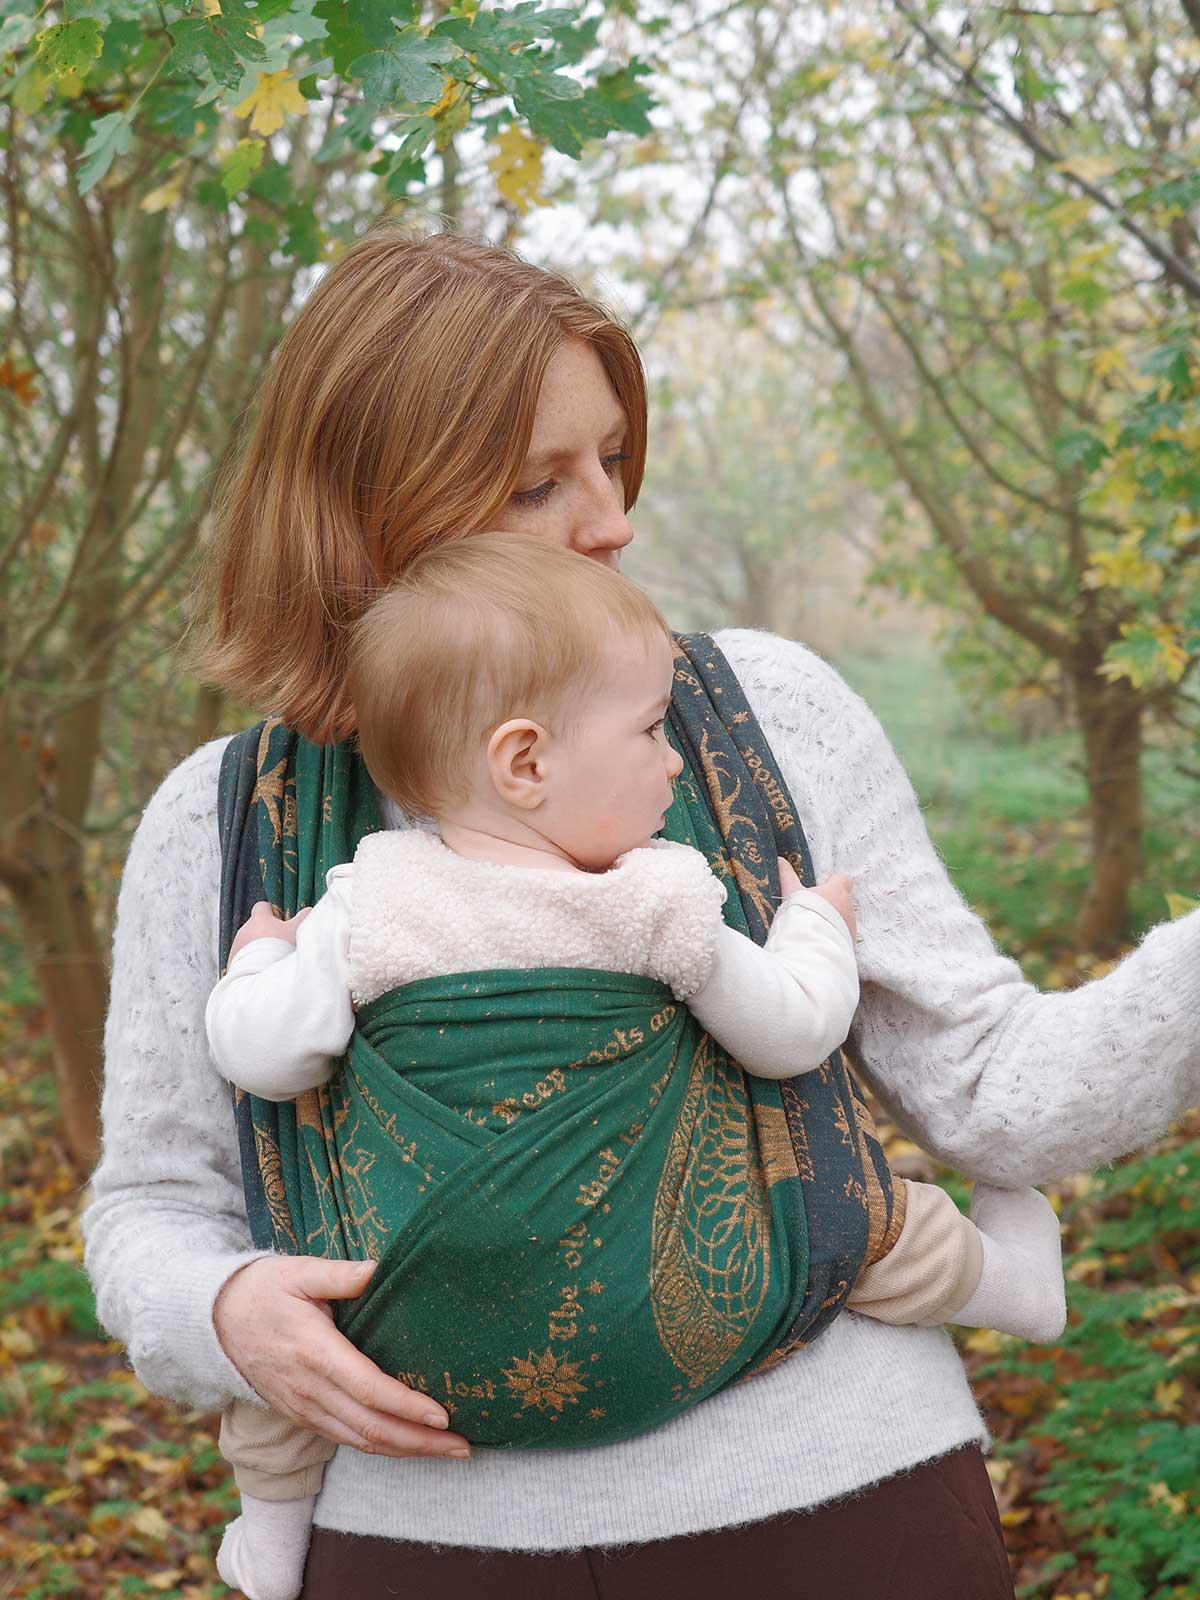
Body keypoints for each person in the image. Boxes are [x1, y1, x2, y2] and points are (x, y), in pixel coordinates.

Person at [80, 225, 1200, 1600]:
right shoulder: (226, 820)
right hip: (417, 1547)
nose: (611, 519)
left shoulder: (758, 717)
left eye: (614, 456)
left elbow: (993, 1090)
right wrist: (223, 1311)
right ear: (366, 512)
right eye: (540, 481)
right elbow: (154, 1203)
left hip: (846, 1510)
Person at [202, 534, 1065, 1600]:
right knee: (873, 1217)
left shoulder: (366, 899)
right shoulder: (652, 895)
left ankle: (272, 1540)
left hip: (418, 1338)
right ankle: (1013, 1282)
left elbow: (264, 1057)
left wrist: (259, 956)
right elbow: (792, 1030)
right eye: (652, 728)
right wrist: (817, 926)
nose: (673, 757)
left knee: (281, 1350)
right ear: (525, 762)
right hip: (672, 1319)